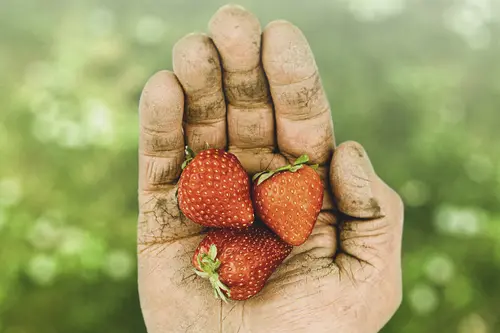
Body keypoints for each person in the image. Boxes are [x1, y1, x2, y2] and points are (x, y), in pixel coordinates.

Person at [137, 4, 404, 333]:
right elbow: (249, 220)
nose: (244, 217)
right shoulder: (250, 222)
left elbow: (245, 217)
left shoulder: (237, 218)